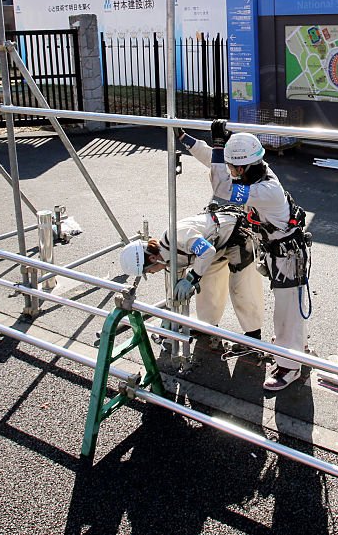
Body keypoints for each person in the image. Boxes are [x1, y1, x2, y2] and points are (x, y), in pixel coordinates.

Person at [178, 122, 312, 392]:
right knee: (287, 311)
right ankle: (295, 346)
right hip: (278, 250)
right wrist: (184, 138)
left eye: (235, 168)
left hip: (287, 254)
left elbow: (220, 186)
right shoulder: (254, 174)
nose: (231, 172)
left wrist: (218, 146)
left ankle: (290, 367)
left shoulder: (266, 190)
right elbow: (215, 164)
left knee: (285, 313)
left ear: (247, 167)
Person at [118, 203, 264, 350]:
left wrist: (191, 279)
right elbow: (174, 290)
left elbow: (207, 251)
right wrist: (169, 318)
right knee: (208, 285)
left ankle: (253, 334)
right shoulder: (169, 260)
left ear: (152, 259)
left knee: (240, 287)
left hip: (236, 237)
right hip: (215, 246)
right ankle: (207, 325)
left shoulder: (177, 237)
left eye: (148, 271)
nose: (152, 273)